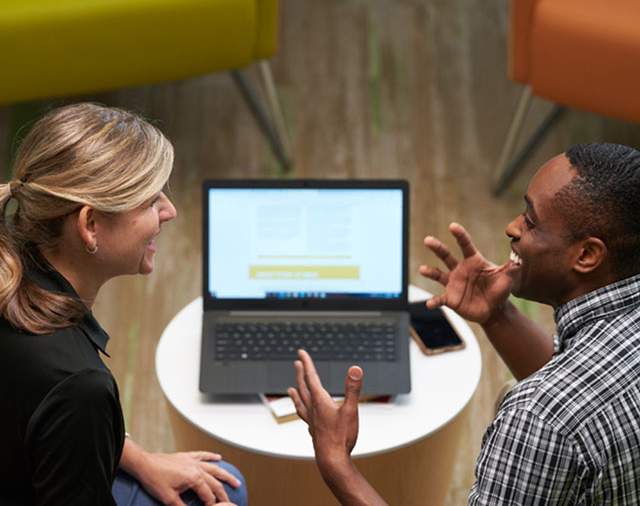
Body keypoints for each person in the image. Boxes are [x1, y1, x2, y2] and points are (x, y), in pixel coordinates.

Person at [288, 142, 640, 505]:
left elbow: (562, 406)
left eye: (531, 222)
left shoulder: (537, 421)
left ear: (586, 255)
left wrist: (336, 463)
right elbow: (590, 378)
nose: (512, 227)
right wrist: (497, 315)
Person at [0, 103, 247, 506]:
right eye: (150, 201)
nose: (170, 210)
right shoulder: (81, 387)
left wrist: (140, 459)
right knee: (228, 490)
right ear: (90, 225)